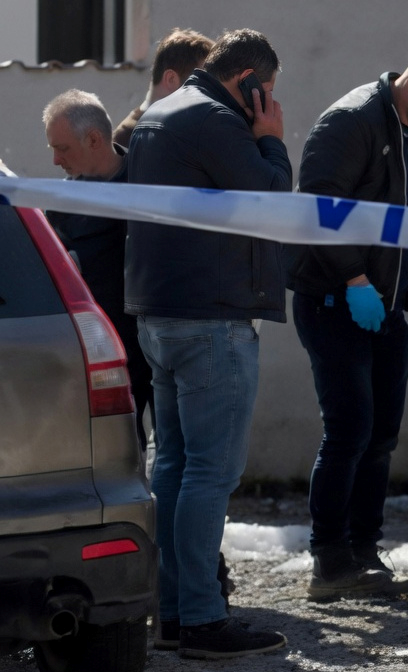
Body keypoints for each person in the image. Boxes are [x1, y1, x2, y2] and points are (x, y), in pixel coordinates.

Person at [125, 28, 289, 660]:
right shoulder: (217, 122)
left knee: (171, 467)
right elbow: (274, 198)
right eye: (267, 92)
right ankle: (198, 617)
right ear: (247, 80)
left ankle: (170, 612)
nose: (270, 104)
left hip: (160, 317)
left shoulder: (159, 115)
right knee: (210, 472)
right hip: (211, 319)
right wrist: (271, 139)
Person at [289, 47, 408, 600]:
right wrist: (353, 282)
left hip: (386, 304)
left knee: (381, 435)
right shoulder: (352, 122)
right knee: (350, 430)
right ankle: (329, 562)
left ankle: (365, 553)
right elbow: (320, 208)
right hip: (335, 301)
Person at [41, 90, 152, 450]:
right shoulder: (61, 205)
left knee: (174, 450)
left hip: (163, 340)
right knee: (119, 452)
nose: (56, 161)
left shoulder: (149, 181)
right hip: (105, 356)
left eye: (63, 148)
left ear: (93, 139)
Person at [113, 28, 213, 146]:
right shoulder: (128, 139)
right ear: (171, 79)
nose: (211, 94)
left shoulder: (176, 129)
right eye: (204, 83)